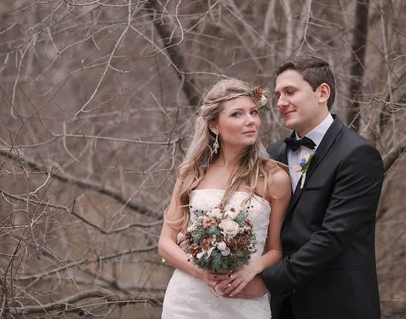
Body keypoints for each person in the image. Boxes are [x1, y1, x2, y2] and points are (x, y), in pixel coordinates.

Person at [215, 56, 385, 319]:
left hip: (338, 305)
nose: (281, 102)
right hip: (283, 308)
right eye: (279, 94)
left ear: (322, 93)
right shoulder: (274, 154)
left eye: (291, 92)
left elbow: (333, 237)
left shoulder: (358, 155)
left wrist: (268, 280)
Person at [159, 79, 291, 319]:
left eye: (253, 112)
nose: (250, 120)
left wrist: (253, 269)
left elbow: (275, 249)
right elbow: (166, 244)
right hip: (188, 301)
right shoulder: (191, 174)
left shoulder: (274, 178)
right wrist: (200, 273)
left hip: (243, 299)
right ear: (214, 125)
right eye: (237, 114)